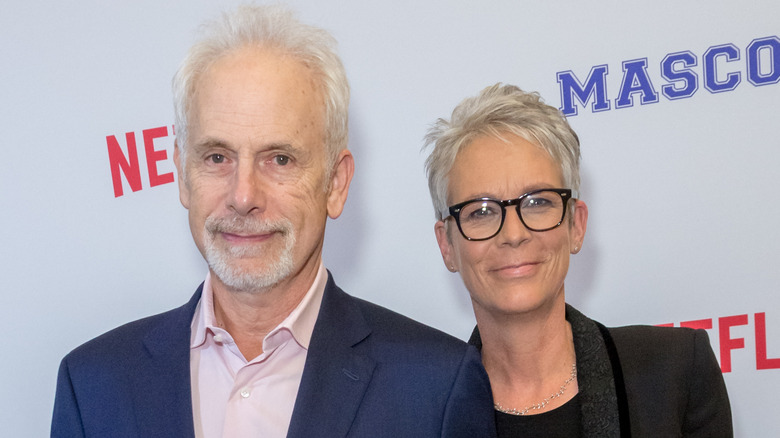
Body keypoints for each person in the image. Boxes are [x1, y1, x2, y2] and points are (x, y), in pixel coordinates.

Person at [51, 6, 496, 438]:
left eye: (279, 159)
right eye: (217, 157)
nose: (243, 197)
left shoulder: (435, 389)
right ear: (183, 174)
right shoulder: (92, 386)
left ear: (336, 184)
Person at [423, 83, 733, 437]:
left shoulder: (675, 371)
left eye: (538, 202)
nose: (512, 234)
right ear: (447, 244)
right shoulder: (421, 414)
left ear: (576, 225)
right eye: (481, 211)